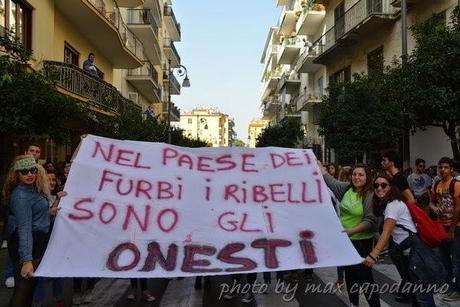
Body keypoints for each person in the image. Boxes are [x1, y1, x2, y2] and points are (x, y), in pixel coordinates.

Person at [2, 155, 65, 306]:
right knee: (22, 294)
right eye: (24, 171)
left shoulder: (32, 190)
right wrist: (27, 260)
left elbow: (37, 216)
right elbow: (24, 228)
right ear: (16, 174)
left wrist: (52, 208)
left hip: (37, 242)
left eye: (32, 170)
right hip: (27, 244)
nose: (29, 174)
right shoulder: (21, 196)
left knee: (28, 293)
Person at [364, 175, 436, 306]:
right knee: (415, 293)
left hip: (413, 251)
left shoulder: (393, 205)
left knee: (422, 295)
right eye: (376, 185)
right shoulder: (388, 204)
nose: (379, 188)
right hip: (406, 250)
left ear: (391, 187)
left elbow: (386, 233)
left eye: (384, 185)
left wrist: (373, 254)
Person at [320, 162, 380, 307]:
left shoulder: (370, 194)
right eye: (354, 174)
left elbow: (370, 221)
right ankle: (354, 304)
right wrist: (315, 163)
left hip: (361, 242)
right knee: (350, 276)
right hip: (346, 242)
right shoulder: (347, 189)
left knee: (365, 279)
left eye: (361, 175)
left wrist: (351, 231)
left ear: (367, 177)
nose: (357, 177)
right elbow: (330, 180)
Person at [428, 157, 460, 302]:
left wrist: (452, 229)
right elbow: (431, 202)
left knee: (457, 261)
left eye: (446, 167)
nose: (442, 170)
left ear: (451, 169)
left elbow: (458, 208)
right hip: (441, 226)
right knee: (444, 259)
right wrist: (435, 209)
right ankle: (449, 285)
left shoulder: (456, 184)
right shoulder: (437, 184)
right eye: (440, 167)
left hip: (455, 227)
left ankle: (457, 290)